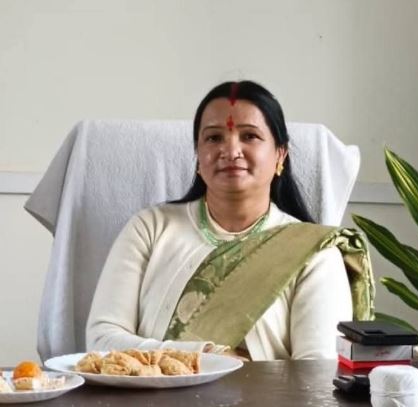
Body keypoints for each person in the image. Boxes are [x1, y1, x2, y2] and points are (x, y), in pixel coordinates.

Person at [86, 80, 355, 360]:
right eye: (214, 138)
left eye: (249, 136)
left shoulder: (313, 253)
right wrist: (207, 356)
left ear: (280, 154)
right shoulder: (150, 228)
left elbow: (317, 372)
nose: (231, 151)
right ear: (197, 155)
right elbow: (101, 339)